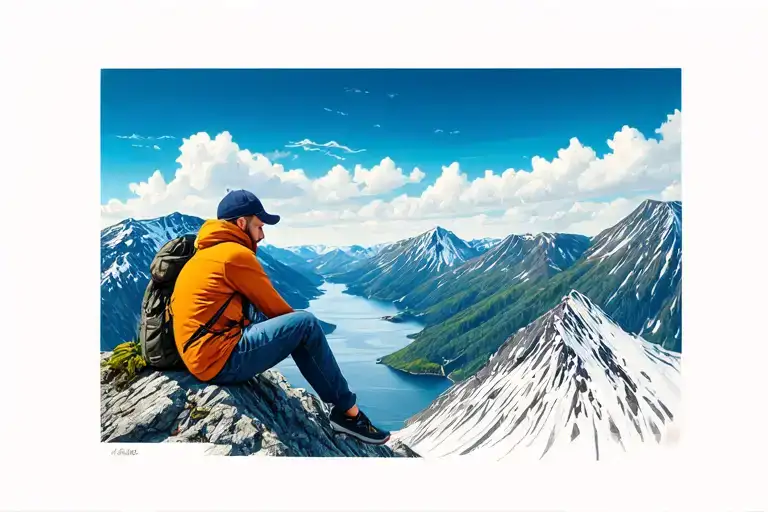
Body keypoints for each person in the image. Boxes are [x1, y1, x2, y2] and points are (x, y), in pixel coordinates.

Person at [170, 189, 390, 445]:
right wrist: (298, 335)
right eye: (259, 226)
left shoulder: (205, 253)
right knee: (305, 324)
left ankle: (344, 410)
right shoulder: (234, 255)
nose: (262, 235)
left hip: (197, 355)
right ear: (241, 223)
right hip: (218, 360)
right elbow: (280, 313)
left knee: (292, 323)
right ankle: (348, 414)